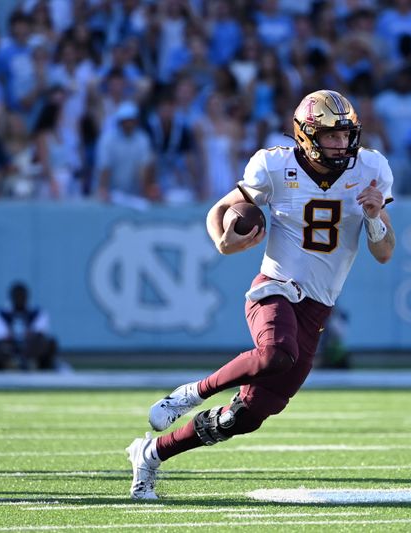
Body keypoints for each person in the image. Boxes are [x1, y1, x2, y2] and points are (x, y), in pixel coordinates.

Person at [126, 89, 396, 499]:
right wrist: (222, 241)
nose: (342, 144)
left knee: (245, 417)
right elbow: (220, 210)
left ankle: (151, 453)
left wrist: (375, 217)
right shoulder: (275, 165)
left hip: (318, 308)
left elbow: (384, 252)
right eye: (331, 135)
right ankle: (190, 393)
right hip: (275, 287)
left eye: (346, 135)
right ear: (306, 135)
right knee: (275, 354)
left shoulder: (371, 168)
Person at [0, 282, 59, 371]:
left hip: (31, 348)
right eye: (17, 296)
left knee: (50, 343)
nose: (19, 299)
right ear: (11, 297)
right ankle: (10, 365)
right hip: (9, 349)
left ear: (27, 297)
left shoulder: (37, 312)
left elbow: (40, 333)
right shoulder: (1, 314)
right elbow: (0, 336)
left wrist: (28, 338)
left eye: (22, 296)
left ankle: (33, 364)